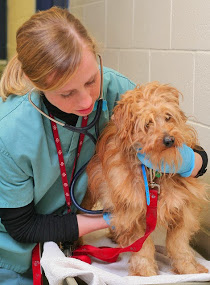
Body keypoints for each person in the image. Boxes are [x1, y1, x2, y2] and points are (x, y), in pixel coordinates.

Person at [0, 6, 208, 285]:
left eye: (91, 80)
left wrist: (189, 161)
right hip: (15, 257)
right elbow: (22, 225)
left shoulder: (117, 89)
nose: (87, 101)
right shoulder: (9, 133)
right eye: (67, 93)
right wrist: (119, 218)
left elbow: (195, 155)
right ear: (33, 83)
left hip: (77, 241)